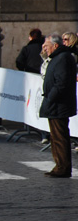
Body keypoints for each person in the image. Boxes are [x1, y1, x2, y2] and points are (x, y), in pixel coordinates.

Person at [39, 34, 77, 178]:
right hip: (56, 103)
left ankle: (63, 167)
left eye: (46, 46)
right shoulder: (58, 57)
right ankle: (60, 166)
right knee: (56, 137)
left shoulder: (62, 58)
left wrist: (50, 98)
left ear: (55, 46)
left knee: (60, 137)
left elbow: (61, 83)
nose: (45, 49)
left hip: (59, 104)